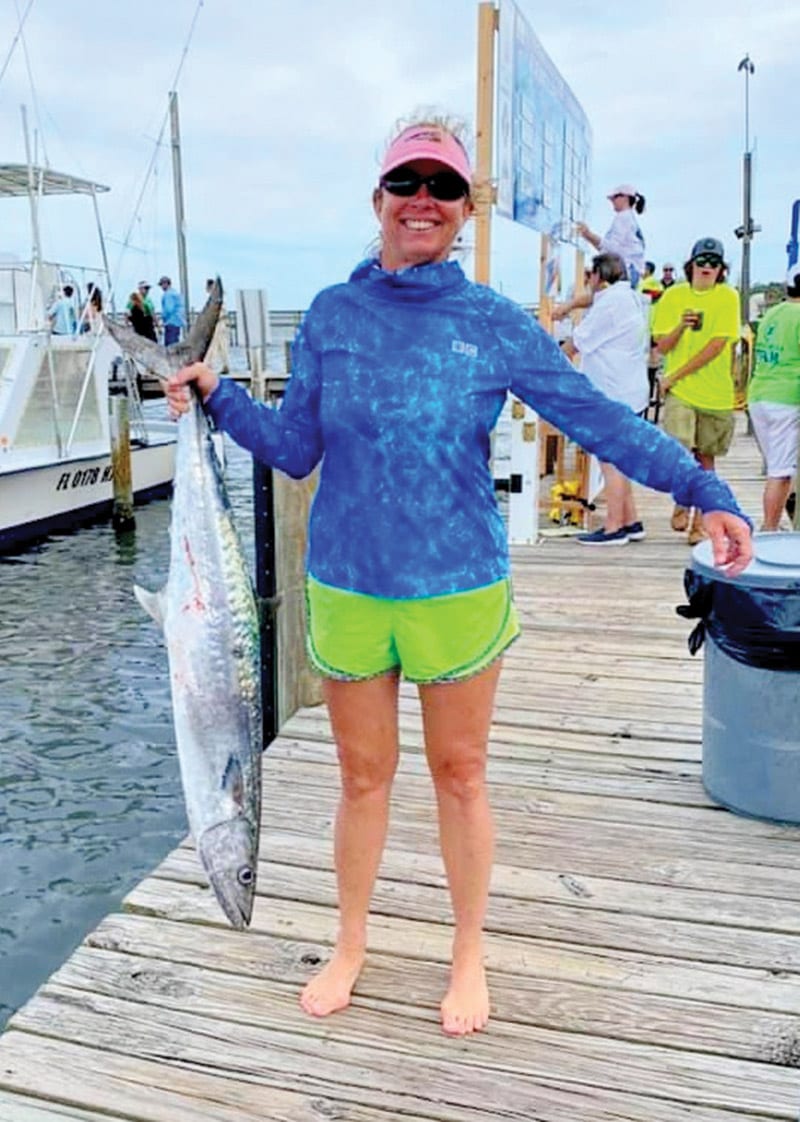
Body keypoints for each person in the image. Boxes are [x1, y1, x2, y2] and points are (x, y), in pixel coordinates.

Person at [165, 116, 752, 1037]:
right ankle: (351, 941)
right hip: (350, 584)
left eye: (444, 187)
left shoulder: (491, 321)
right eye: (407, 185)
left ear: (465, 209)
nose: (423, 202)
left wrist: (703, 486)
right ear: (380, 202)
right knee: (363, 777)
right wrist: (218, 397)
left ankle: (467, 949)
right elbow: (294, 446)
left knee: (460, 773)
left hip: (460, 585)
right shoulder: (330, 314)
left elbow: (595, 418)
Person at [652, 237, 741, 545]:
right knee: (680, 451)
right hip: (682, 392)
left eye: (713, 263)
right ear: (690, 265)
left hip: (715, 392)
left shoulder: (728, 297)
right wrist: (680, 325)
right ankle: (683, 499)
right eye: (701, 262)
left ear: (722, 269)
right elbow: (661, 345)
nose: (707, 268)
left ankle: (701, 523)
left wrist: (673, 374)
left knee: (706, 461)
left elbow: (718, 345)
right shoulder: (673, 295)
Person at [561, 253, 650, 544]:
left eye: (590, 275)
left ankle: (613, 528)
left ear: (599, 276)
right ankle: (631, 520)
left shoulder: (610, 302)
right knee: (622, 460)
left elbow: (578, 341)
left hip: (613, 392)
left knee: (610, 461)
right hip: (632, 390)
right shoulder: (632, 298)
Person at [746, 264, 800, 530]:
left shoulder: (772, 314)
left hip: (759, 395)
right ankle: (769, 530)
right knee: (780, 472)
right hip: (787, 399)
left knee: (779, 468)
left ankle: (775, 524)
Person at [552, 184, 646, 321]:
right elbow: (609, 249)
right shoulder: (629, 219)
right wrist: (588, 236)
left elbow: (613, 250)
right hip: (630, 272)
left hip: (626, 270)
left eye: (614, 197)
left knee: (602, 298)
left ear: (625, 197)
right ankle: (567, 309)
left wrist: (588, 234)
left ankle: (565, 310)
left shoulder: (623, 218)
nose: (612, 201)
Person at [203, 277, 230, 374]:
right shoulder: (216, 298)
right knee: (216, 345)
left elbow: (220, 312)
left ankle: (211, 364)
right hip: (218, 323)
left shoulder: (217, 298)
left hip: (219, 323)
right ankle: (215, 364)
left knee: (218, 344)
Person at [158, 275, 186, 345]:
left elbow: (169, 309)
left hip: (171, 322)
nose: (161, 287)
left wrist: (162, 317)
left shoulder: (168, 294)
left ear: (166, 284)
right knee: (175, 343)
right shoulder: (175, 293)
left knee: (170, 345)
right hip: (177, 322)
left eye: (162, 284)